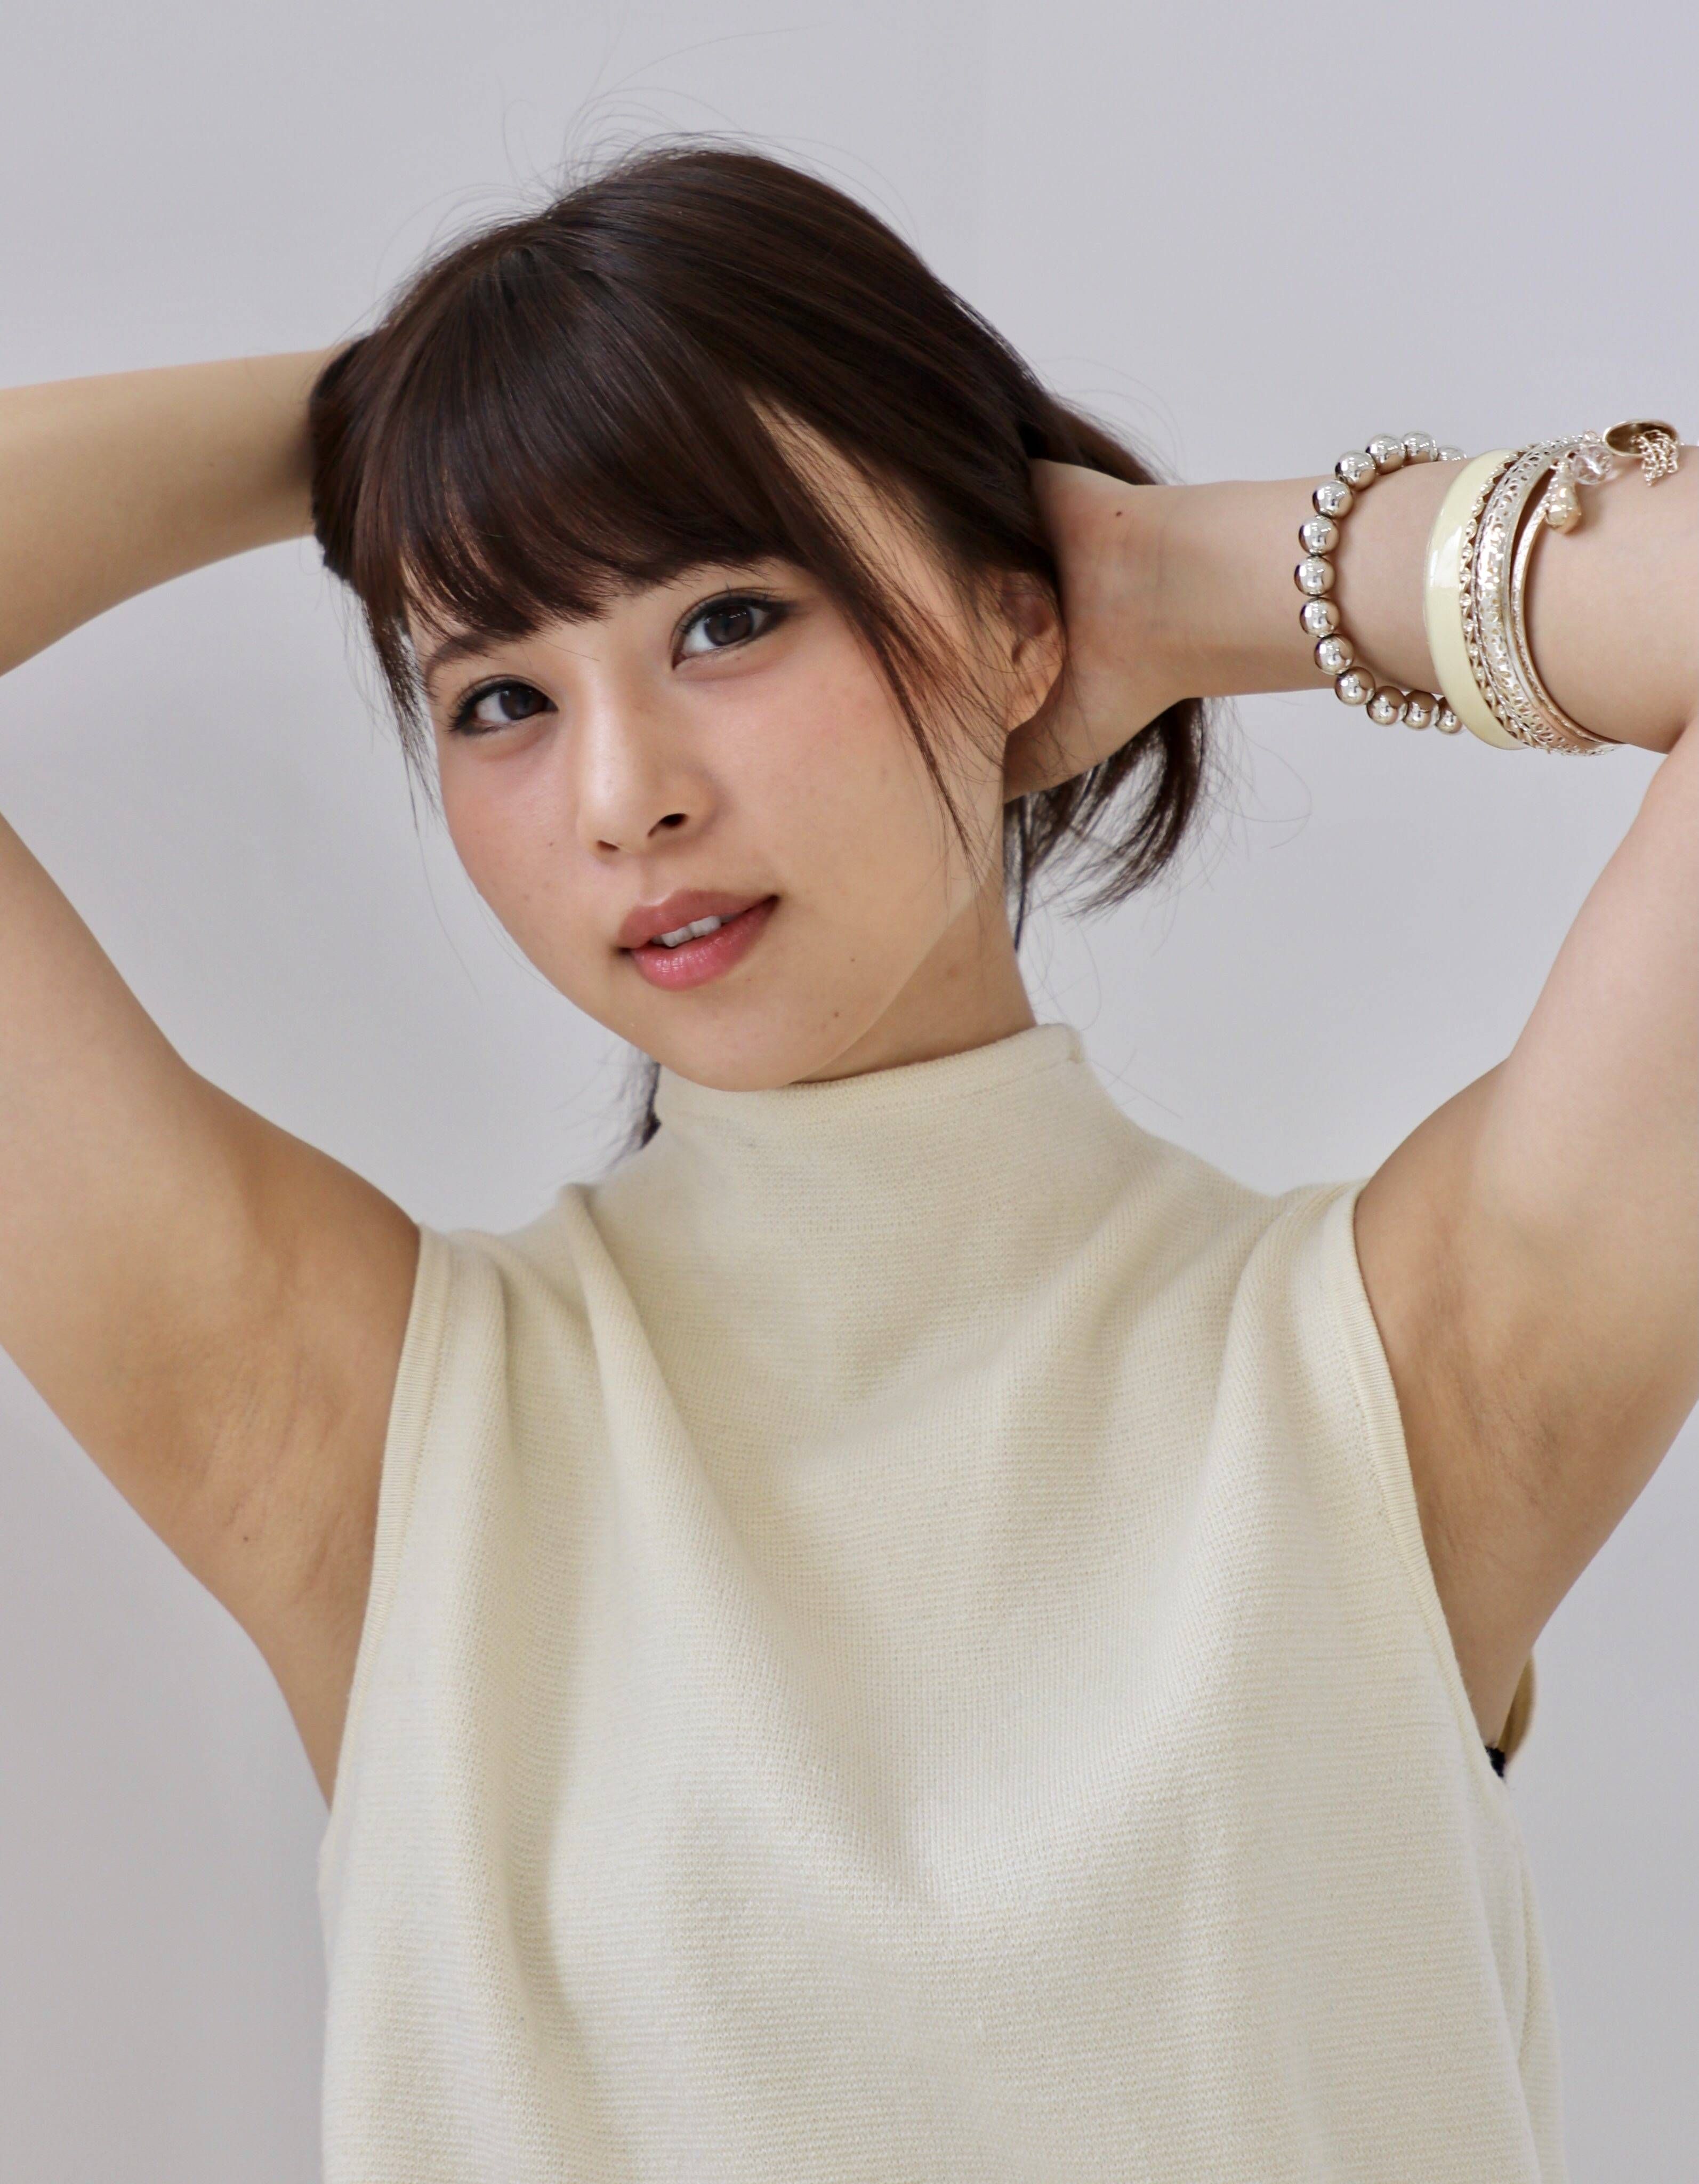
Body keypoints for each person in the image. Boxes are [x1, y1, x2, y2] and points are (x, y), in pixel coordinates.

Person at [0, 138, 1692, 2183]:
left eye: (728, 620)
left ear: (1015, 626)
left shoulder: (1402, 1371)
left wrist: (1162, 581)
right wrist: (415, 408)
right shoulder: (375, 1436)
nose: (622, 796)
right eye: (502, 696)